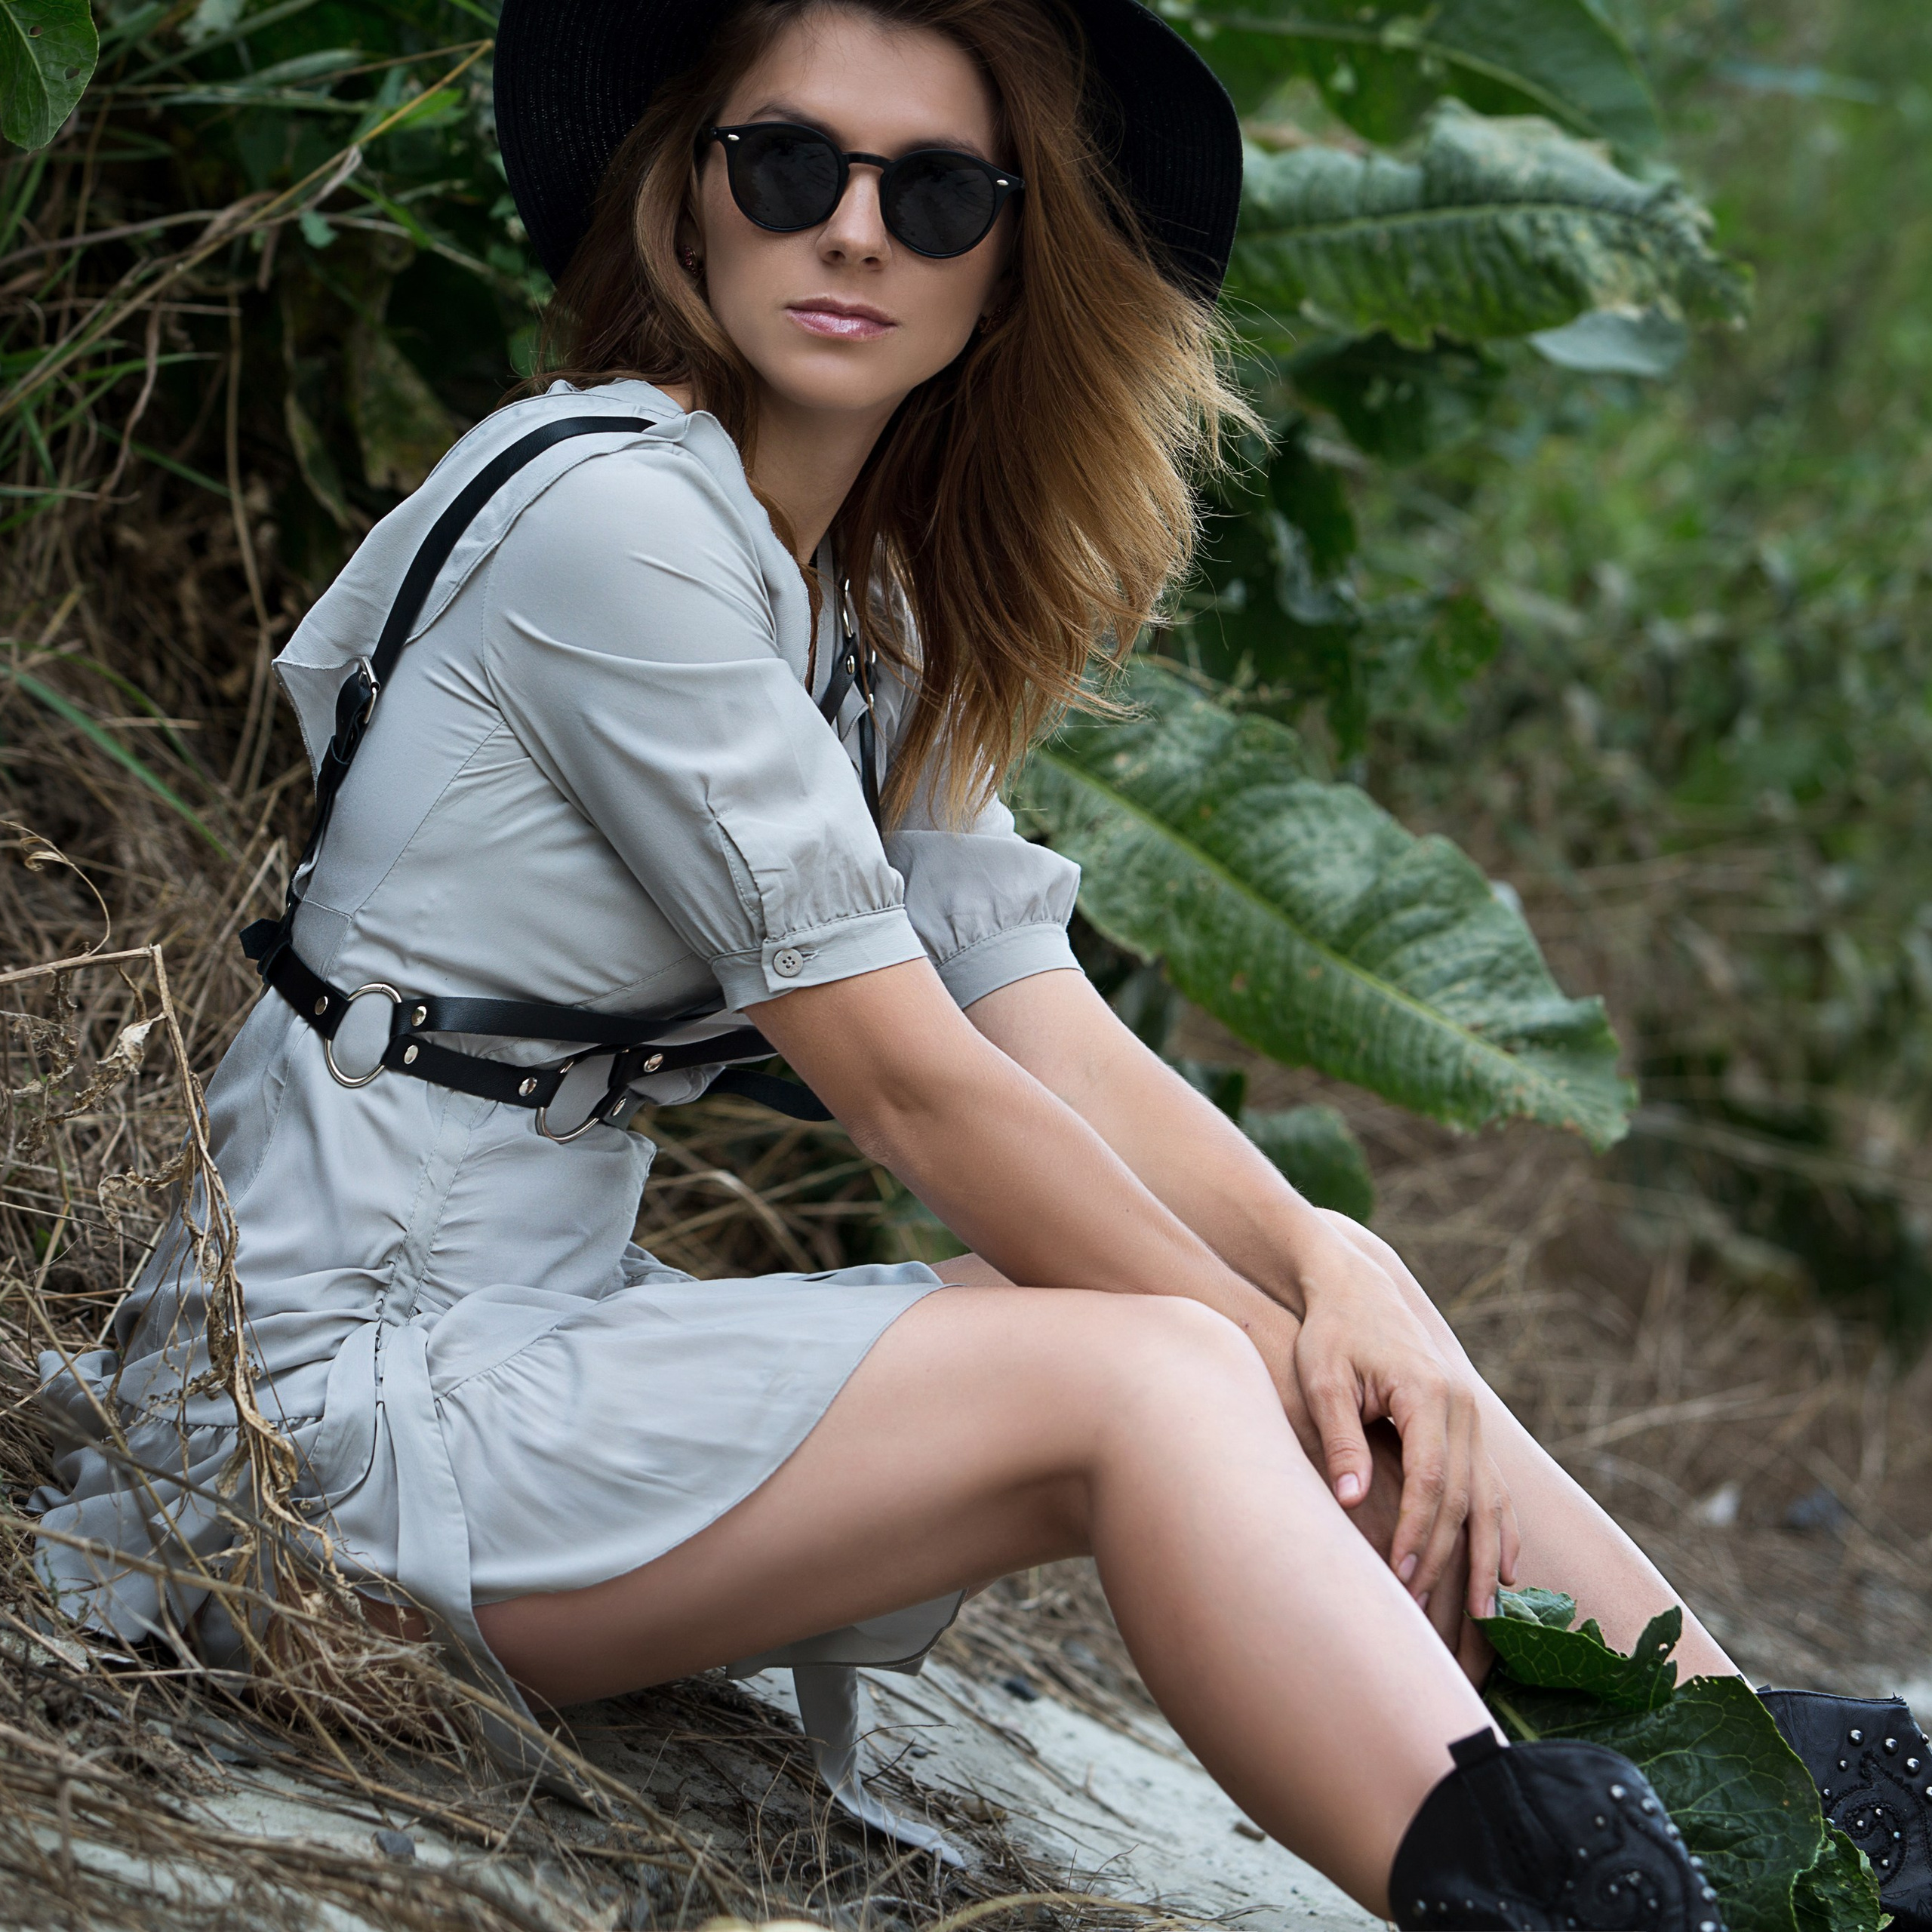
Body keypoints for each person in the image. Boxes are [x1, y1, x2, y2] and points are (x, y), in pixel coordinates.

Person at [31, 2, 1930, 1926]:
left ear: (1010, 255)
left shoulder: (862, 592)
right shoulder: (616, 520)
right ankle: (1557, 1897)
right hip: (312, 1424)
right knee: (1157, 1374)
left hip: (522, 1332)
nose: (852, 229)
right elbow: (909, 1078)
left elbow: (1030, 1018)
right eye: (788, 166)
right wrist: (1273, 1355)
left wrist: (1344, 1271)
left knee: (1284, 1330)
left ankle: (1768, 1791)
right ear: (686, 196)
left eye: (933, 193)